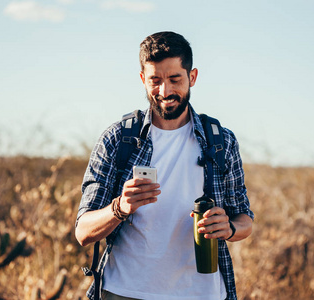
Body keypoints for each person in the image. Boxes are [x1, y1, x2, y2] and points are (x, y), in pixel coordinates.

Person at [75, 31, 254, 300]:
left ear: (192, 77)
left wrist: (228, 228)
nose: (165, 91)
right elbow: (83, 232)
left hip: (202, 293)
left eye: (174, 79)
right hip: (124, 292)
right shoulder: (118, 139)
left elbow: (245, 220)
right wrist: (120, 207)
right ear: (142, 80)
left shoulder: (221, 141)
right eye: (155, 80)